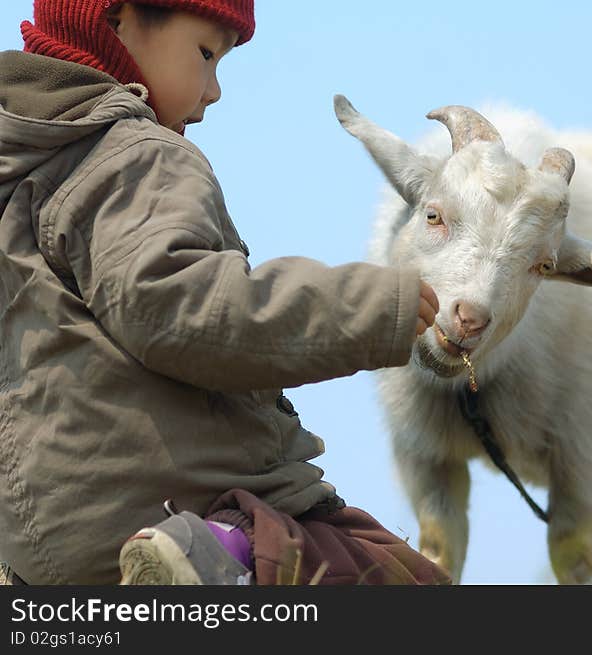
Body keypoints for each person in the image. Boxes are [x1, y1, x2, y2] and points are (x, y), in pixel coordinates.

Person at [0, 0, 450, 585]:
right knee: (391, 573)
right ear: (114, 22)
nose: (214, 91)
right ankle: (218, 559)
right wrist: (367, 307)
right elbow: (178, 306)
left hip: (41, 535)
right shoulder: (135, 155)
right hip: (163, 506)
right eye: (207, 54)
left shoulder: (24, 163)